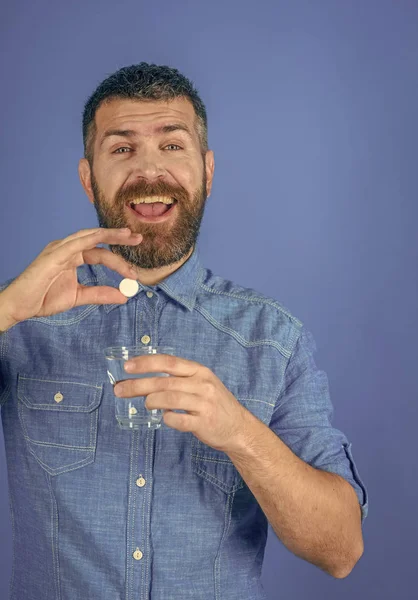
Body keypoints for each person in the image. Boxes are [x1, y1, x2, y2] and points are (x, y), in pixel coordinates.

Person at [0, 63, 368, 600]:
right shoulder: (19, 323)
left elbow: (341, 551)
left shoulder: (274, 339)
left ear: (207, 171)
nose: (149, 171)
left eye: (172, 146)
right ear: (88, 178)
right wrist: (5, 310)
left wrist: (239, 432)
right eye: (122, 149)